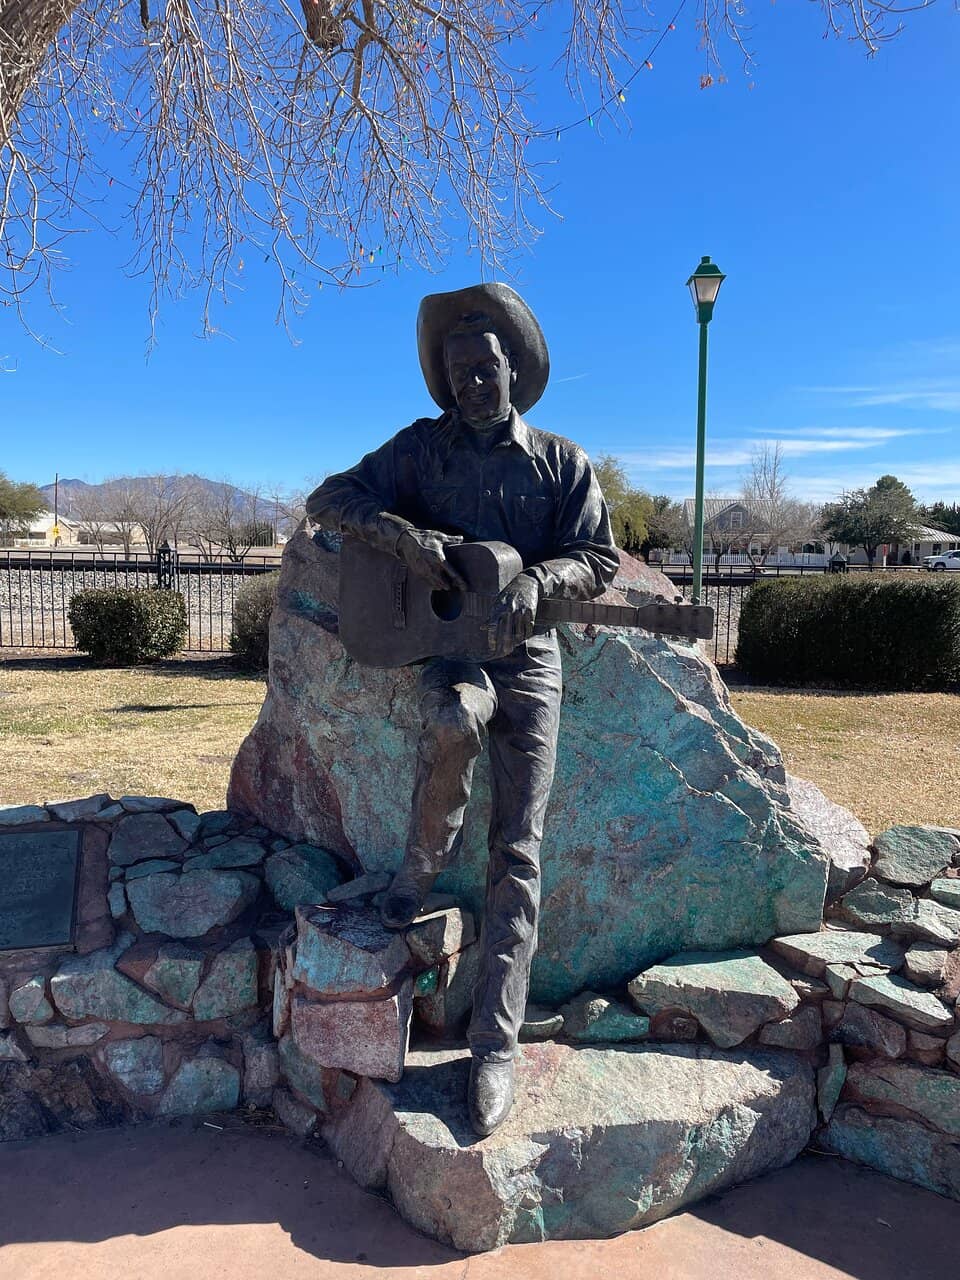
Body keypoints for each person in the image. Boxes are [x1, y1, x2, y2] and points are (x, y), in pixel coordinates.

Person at [306, 283, 617, 1135]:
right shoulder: (419, 452)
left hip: (529, 661)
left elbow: (598, 558)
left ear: (513, 369)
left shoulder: (561, 462)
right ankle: (415, 874)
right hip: (451, 657)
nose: (474, 385)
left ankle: (495, 1045)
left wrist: (542, 581)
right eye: (458, 376)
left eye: (486, 369)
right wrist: (402, 536)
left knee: (517, 847)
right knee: (449, 724)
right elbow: (329, 498)